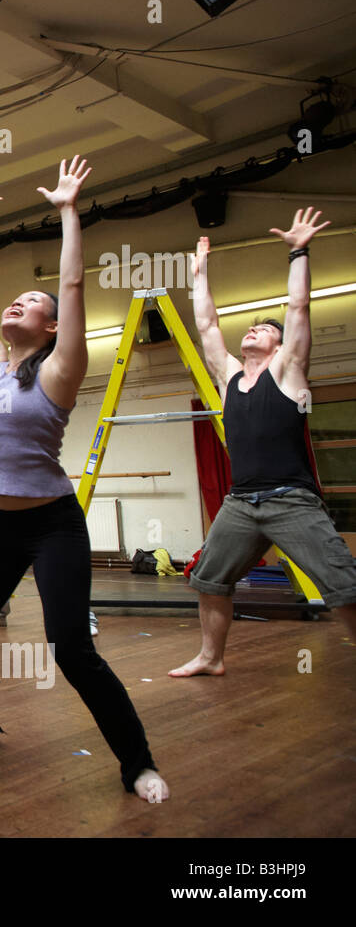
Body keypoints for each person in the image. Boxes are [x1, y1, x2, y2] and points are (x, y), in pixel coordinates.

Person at [0, 165, 167, 803]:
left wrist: (71, 211)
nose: (19, 303)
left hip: (53, 526)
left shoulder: (61, 370)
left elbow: (70, 283)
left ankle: (138, 763)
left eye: (32, 304)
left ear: (51, 329)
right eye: (17, 299)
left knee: (71, 648)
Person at [172, 211, 356, 675]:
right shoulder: (230, 376)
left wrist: (298, 251)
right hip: (240, 503)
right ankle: (210, 659)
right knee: (209, 579)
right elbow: (208, 326)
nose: (254, 330)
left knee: (344, 586)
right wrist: (199, 277)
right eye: (252, 327)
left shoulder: (288, 371)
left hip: (291, 500)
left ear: (279, 347)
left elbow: (298, 309)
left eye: (265, 330)